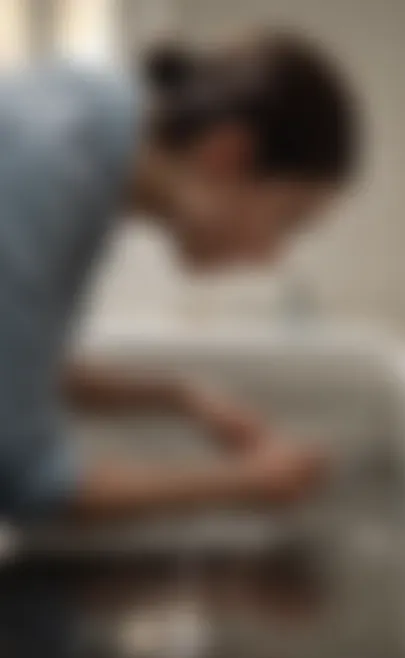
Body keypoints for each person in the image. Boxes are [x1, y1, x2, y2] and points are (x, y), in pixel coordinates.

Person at [0, 31, 359, 520]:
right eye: (286, 219)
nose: (271, 257)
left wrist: (182, 397)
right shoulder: (54, 172)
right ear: (227, 154)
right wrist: (248, 482)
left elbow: (22, 372)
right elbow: (25, 479)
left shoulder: (93, 130)